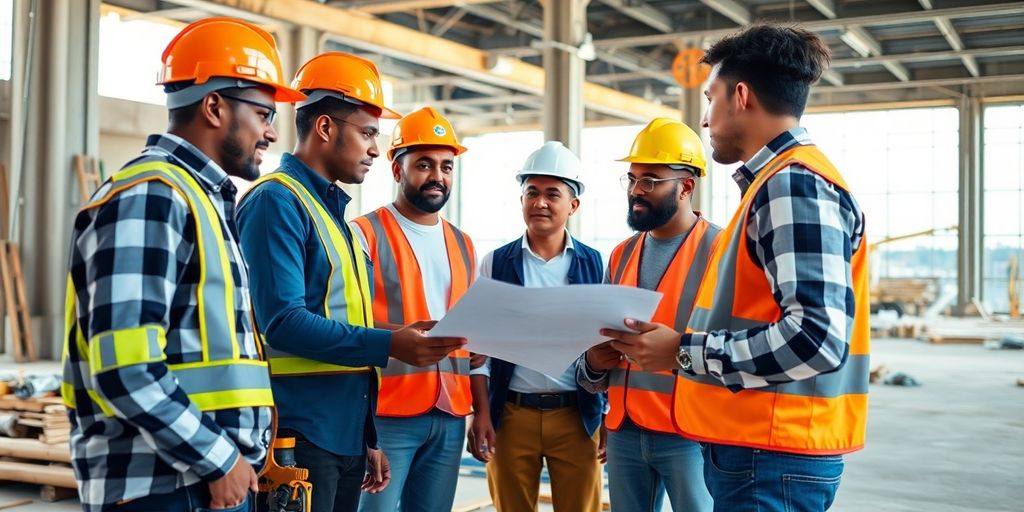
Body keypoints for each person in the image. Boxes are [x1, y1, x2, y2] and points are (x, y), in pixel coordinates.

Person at [601, 24, 870, 512]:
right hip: (760, 447)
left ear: (740, 95)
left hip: (771, 454)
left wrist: (683, 352)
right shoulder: (775, 185)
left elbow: (816, 339)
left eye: (710, 99)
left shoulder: (792, 185)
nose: (706, 120)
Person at [60, 17, 305, 511]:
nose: (272, 133)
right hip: (164, 486)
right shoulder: (152, 196)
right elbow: (125, 367)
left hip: (197, 481)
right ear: (214, 107)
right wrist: (218, 459)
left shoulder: (202, 200)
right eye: (262, 113)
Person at [237, 52, 467, 511]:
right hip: (298, 432)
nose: (374, 150)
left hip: (342, 433)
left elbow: (344, 322)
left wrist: (368, 436)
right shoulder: (276, 202)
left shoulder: (334, 216)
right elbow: (282, 322)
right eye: (366, 133)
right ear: (325, 128)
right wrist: (390, 345)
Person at [579, 119, 718, 512]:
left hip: (690, 433)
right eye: (632, 178)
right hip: (624, 429)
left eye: (651, 180)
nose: (636, 191)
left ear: (686, 186)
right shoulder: (621, 254)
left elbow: (733, 346)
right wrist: (592, 362)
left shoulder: (720, 250)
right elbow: (593, 358)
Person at [468, 141, 606, 511]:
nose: (540, 202)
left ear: (573, 205)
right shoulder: (495, 263)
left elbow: (606, 348)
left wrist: (605, 416)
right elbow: (480, 352)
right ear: (521, 200)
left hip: (577, 418)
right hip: (511, 417)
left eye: (552, 194)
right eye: (531, 192)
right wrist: (481, 413)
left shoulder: (597, 265)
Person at [352, 107, 475, 512]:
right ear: (396, 169)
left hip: (451, 411)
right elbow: (346, 323)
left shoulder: (464, 244)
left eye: (446, 166)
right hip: (387, 410)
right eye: (424, 164)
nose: (437, 176)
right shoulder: (362, 234)